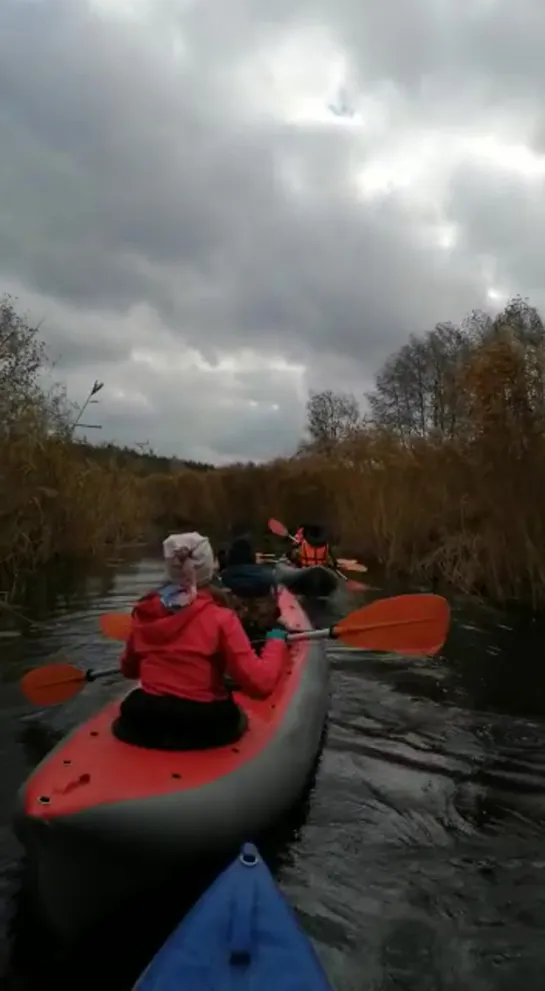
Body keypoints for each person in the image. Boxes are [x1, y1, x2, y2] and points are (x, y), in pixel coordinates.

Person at [113, 532, 288, 751]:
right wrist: (276, 641)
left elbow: (129, 670)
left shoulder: (143, 613)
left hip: (144, 718)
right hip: (203, 723)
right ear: (209, 568)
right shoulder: (222, 618)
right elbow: (260, 685)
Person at [219, 536, 281, 640]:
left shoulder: (223, 579)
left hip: (235, 636)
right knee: (278, 628)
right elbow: (276, 612)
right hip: (265, 633)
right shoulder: (269, 577)